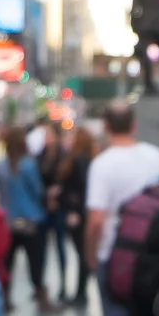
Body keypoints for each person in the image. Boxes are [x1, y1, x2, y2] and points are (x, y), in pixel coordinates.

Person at [85, 102, 159, 316]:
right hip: (156, 254)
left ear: (105, 127)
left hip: (117, 257)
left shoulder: (102, 164)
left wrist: (92, 255)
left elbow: (95, 219)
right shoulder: (154, 156)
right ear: (133, 125)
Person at [0, 125, 53, 312]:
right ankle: (40, 294)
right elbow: (37, 190)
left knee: (8, 262)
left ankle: (5, 297)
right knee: (36, 260)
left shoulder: (1, 166)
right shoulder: (28, 165)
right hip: (31, 220)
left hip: (8, 220)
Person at [54, 126, 96, 306]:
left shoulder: (78, 161)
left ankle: (81, 293)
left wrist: (73, 210)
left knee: (81, 254)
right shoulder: (86, 160)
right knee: (82, 254)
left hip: (77, 215)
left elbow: (79, 190)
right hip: (80, 213)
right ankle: (81, 292)